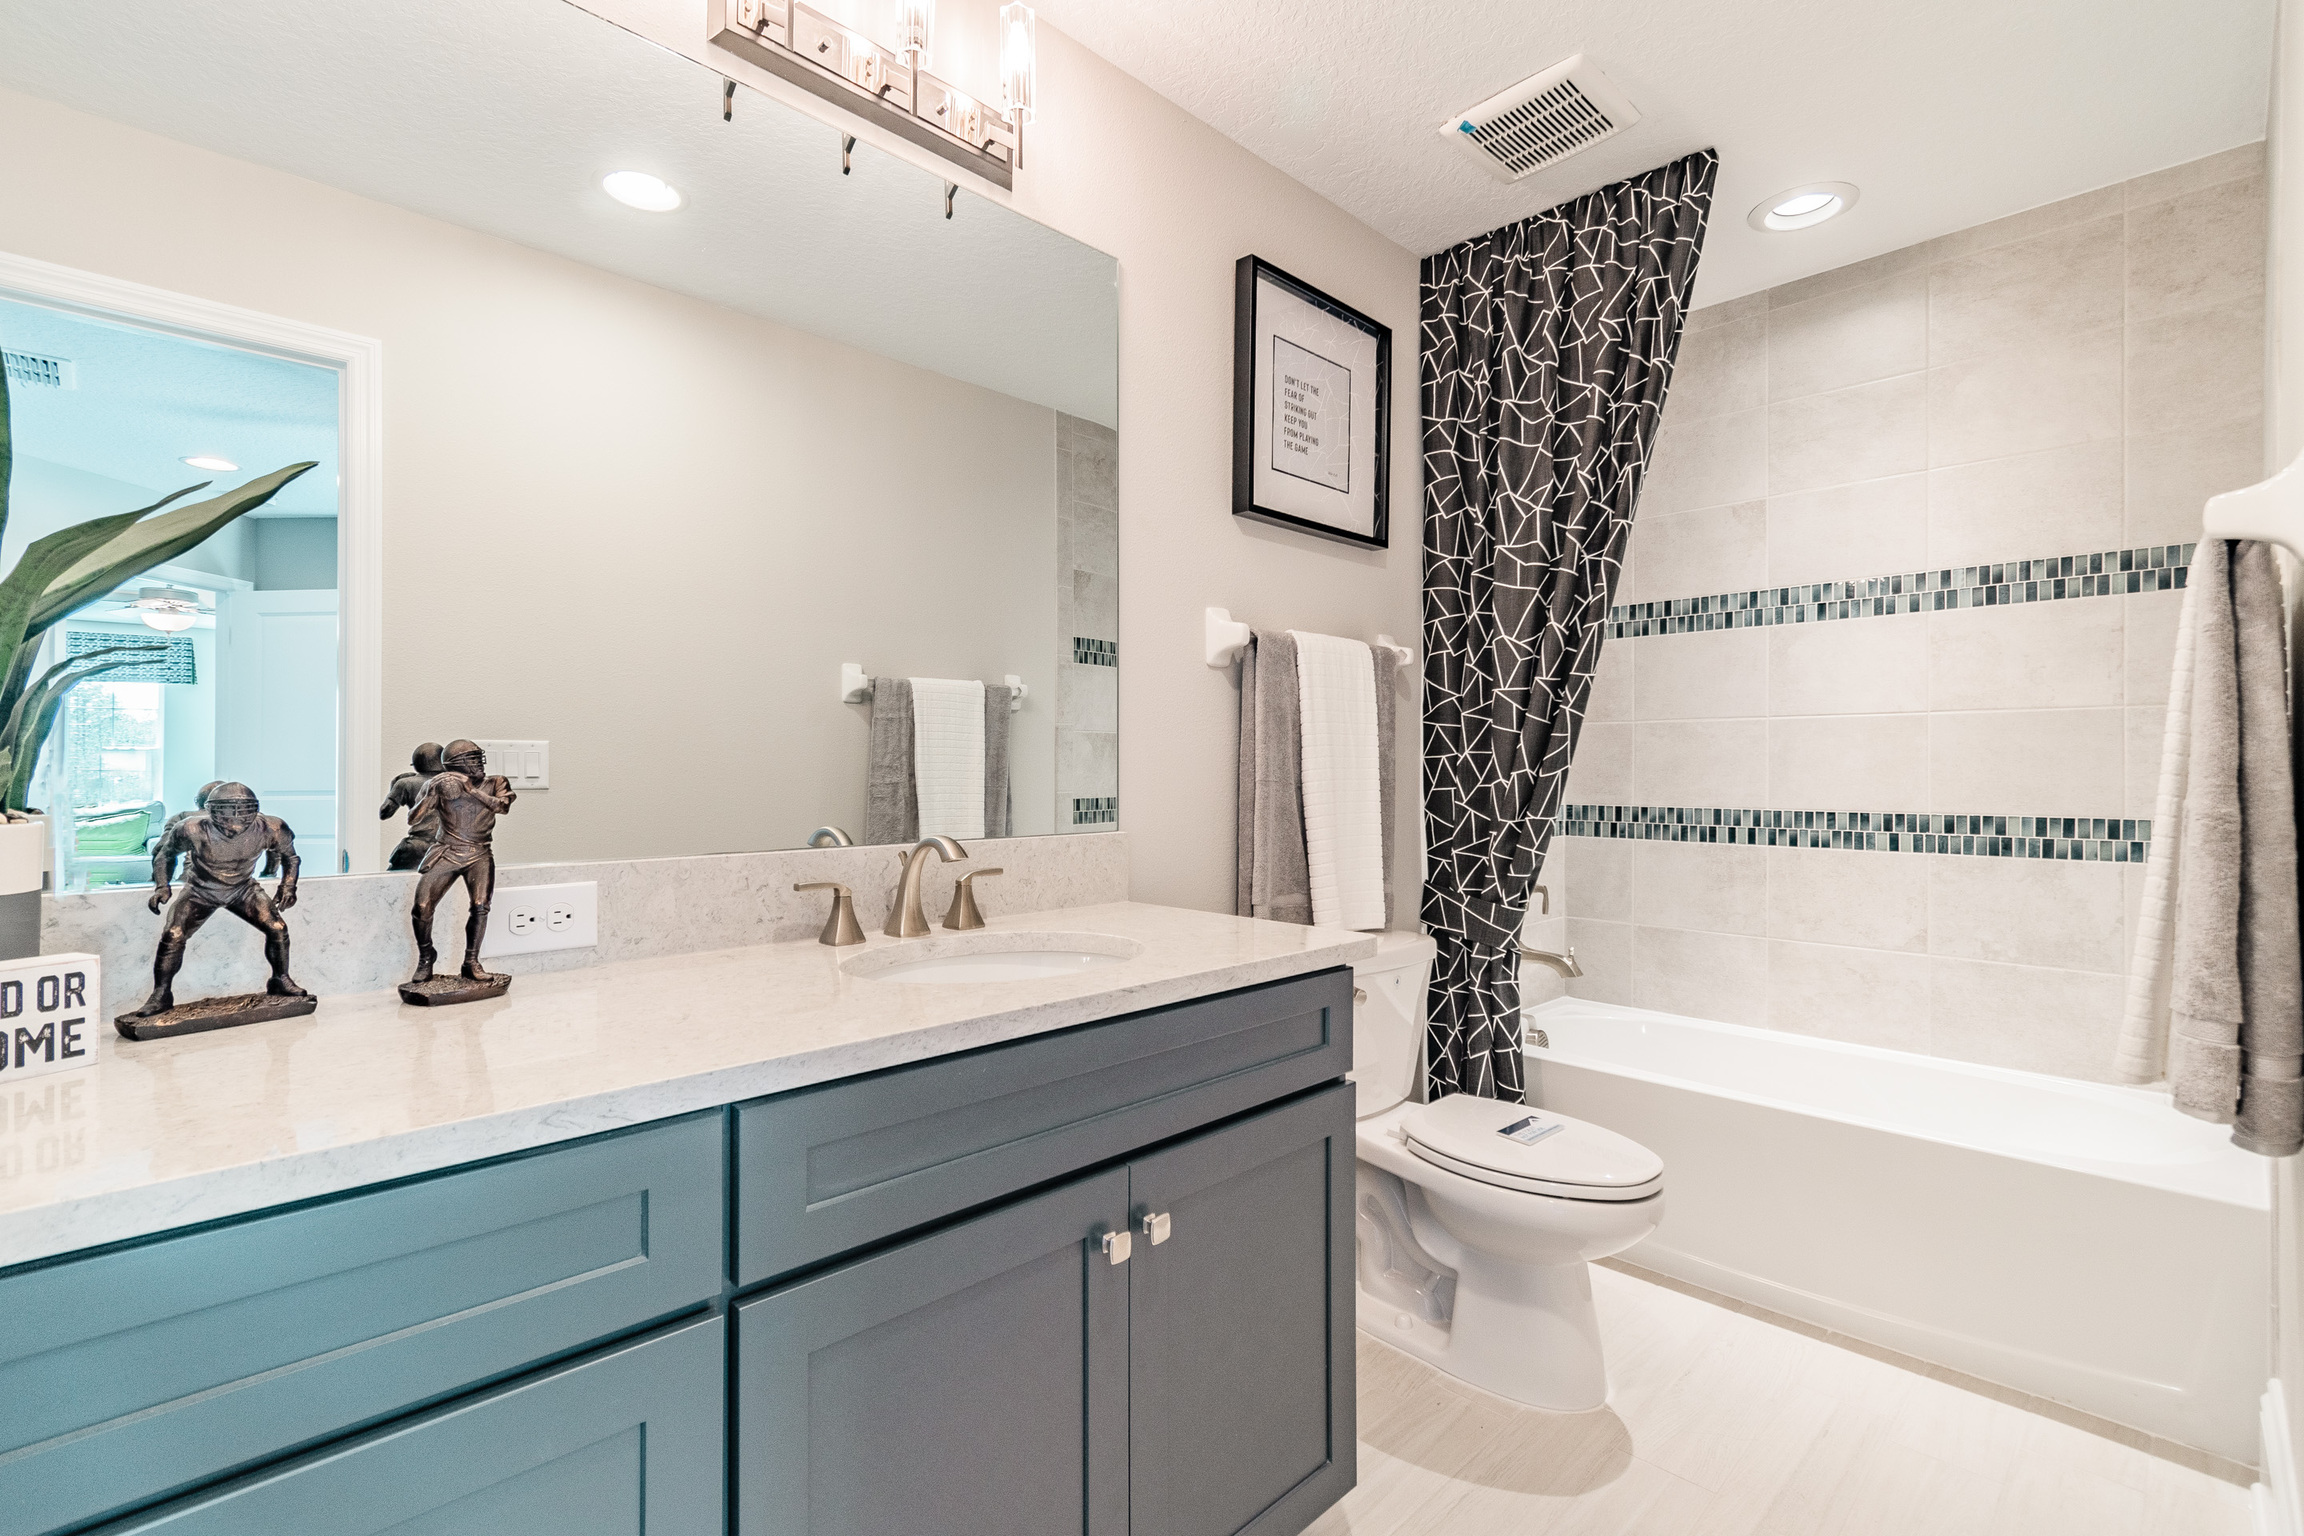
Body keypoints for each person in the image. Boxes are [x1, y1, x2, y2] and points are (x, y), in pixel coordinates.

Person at [121, 782, 307, 1018]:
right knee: (173, 935)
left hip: (242, 888)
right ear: (210, 810)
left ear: (255, 809)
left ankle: (280, 978)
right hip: (201, 890)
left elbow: (290, 857)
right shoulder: (190, 828)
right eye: (228, 810)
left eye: (243, 810)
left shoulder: (272, 827)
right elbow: (165, 855)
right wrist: (162, 886)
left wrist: (288, 885)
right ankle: (161, 994)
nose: (235, 818)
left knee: (278, 928)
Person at [407, 739, 515, 986]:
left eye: (479, 758)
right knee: (422, 907)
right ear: (456, 766)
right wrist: (431, 793)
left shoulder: (495, 782)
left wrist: (470, 790)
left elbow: (502, 806)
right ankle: (426, 957)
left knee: (480, 905)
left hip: (479, 852)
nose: (479, 764)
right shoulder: (441, 785)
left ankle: (471, 962)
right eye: (473, 759)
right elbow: (413, 819)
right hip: (447, 851)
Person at [378, 743, 447, 870]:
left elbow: (385, 813)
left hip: (417, 845)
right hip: (450, 846)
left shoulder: (406, 783)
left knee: (392, 882)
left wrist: (394, 790)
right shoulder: (458, 782)